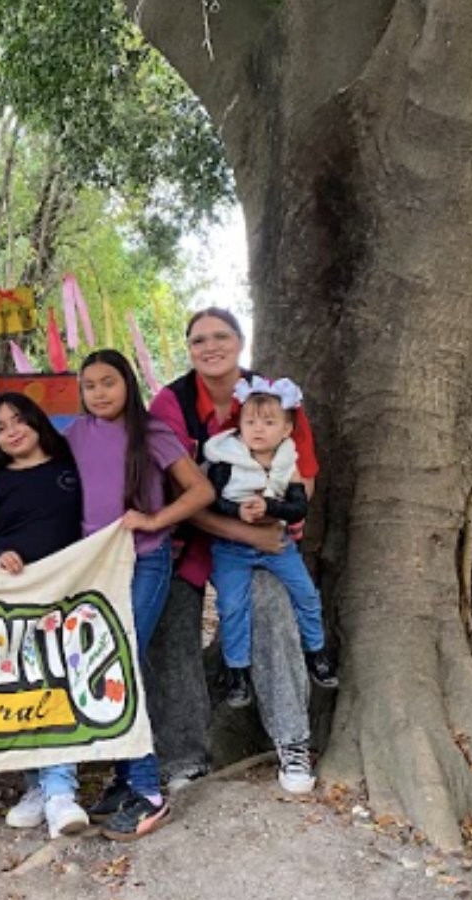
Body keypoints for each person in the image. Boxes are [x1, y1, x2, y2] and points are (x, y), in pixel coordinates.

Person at [147, 307, 323, 794]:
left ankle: (292, 739)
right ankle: (183, 756)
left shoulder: (277, 398)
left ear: (241, 340)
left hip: (263, 535)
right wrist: (246, 532)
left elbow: (302, 477)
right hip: (191, 533)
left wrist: (272, 519)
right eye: (198, 339)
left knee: (273, 607)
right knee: (172, 618)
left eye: (221, 335)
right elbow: (181, 492)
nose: (210, 346)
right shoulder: (170, 404)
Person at [63, 351, 214, 839]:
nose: (100, 393)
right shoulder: (75, 435)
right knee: (110, 664)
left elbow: (199, 492)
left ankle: (149, 791)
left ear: (128, 383)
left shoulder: (152, 434)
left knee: (120, 663)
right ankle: (125, 778)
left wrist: (152, 520)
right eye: (89, 385)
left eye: (109, 382)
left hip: (145, 561)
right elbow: (29, 468)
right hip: (95, 569)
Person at [0, 394, 90, 840]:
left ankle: (61, 791)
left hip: (70, 596)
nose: (12, 431)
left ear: (37, 421)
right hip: (15, 600)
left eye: (18, 420)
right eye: (1, 427)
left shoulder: (70, 467)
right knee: (24, 687)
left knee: (60, 683)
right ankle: (35, 786)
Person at [203, 378, 335, 709]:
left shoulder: (287, 464)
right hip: (232, 549)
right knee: (233, 606)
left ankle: (315, 652)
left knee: (305, 593)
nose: (258, 429)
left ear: (287, 429)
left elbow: (297, 508)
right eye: (250, 422)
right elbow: (212, 501)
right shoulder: (226, 460)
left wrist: (271, 508)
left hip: (278, 545)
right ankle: (238, 671)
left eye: (269, 422)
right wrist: (237, 511)